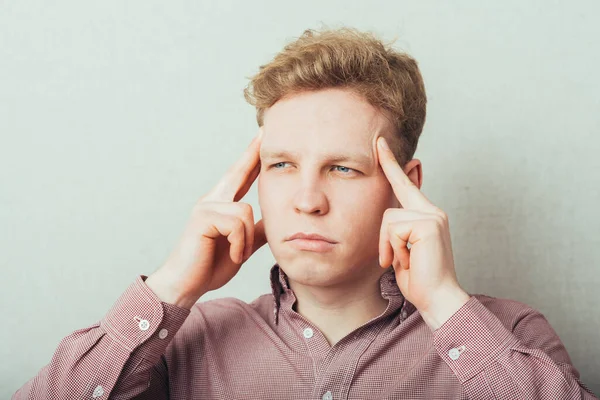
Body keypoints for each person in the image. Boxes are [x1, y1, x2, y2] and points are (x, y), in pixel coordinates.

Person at [13, 27, 597, 400]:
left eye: (343, 168)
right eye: (282, 165)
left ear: (405, 188)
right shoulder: (190, 339)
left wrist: (445, 304)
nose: (307, 200)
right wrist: (168, 288)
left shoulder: (510, 337)